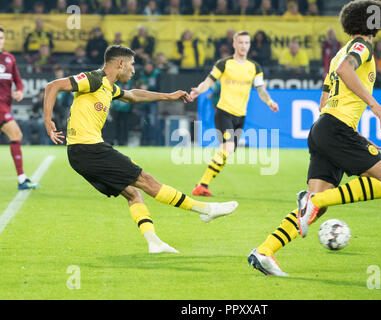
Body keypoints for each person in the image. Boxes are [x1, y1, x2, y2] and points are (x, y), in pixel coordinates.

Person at [248, 0, 381, 277]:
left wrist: (356, 138)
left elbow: (324, 101)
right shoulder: (362, 47)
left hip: (325, 128)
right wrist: (375, 106)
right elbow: (345, 72)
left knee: (320, 204)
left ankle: (264, 251)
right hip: (335, 129)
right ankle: (312, 201)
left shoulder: (338, 53)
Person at [43, 45, 238, 253]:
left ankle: (153, 241)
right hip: (89, 149)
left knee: (133, 194)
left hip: (81, 154)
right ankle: (205, 209)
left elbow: (134, 95)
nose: (134, 70)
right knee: (147, 181)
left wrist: (168, 96)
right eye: (132, 65)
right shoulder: (94, 79)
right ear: (120, 63)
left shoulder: (109, 87)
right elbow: (53, 86)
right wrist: (48, 120)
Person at [189, 31, 279, 197]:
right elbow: (208, 81)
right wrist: (198, 91)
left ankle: (202, 184)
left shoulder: (254, 67)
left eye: (247, 43)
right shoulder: (224, 64)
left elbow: (261, 90)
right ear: (234, 44)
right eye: (241, 42)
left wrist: (270, 102)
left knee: (226, 152)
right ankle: (202, 185)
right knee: (228, 148)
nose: (244, 46)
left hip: (240, 117)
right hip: (224, 112)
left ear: (249, 45)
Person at [0, 26, 39, 190]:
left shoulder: (9, 59)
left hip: (6, 106)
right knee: (16, 134)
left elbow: (18, 80)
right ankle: (22, 179)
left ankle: (22, 179)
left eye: (1, 38)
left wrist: (20, 91)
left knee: (16, 136)